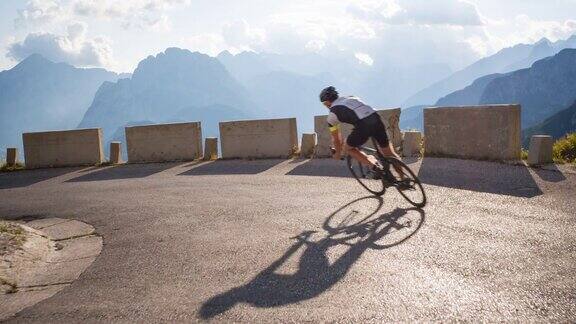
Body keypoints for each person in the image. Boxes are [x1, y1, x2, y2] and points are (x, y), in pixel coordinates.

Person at [319, 86, 403, 176]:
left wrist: (338, 153)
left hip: (363, 126)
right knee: (388, 152)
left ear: (327, 102)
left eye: (324, 104)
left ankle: (374, 166)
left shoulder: (331, 116)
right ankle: (404, 179)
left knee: (348, 147)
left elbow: (336, 139)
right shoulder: (351, 97)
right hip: (375, 117)